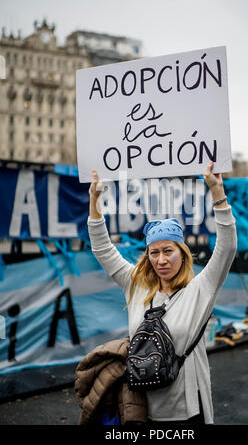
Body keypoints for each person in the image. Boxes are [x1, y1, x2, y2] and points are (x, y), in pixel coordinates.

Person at [87, 161, 237, 425]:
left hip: (189, 411)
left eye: (168, 251)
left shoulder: (200, 289)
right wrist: (95, 200)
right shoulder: (136, 285)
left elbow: (226, 247)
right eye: (154, 252)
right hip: (143, 409)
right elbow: (102, 248)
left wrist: (217, 193)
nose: (161, 260)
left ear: (182, 253)